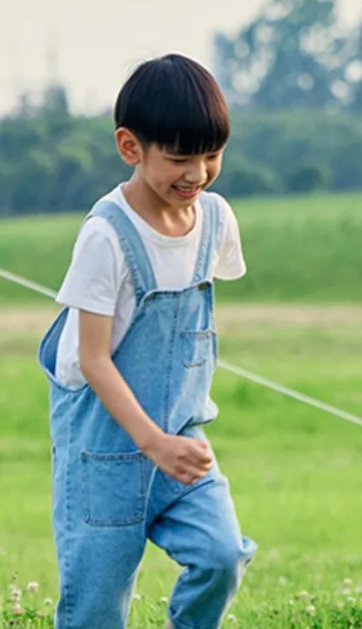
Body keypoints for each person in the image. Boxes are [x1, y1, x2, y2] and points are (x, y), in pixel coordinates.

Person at [38, 54, 256, 629]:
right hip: (104, 449)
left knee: (222, 555)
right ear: (131, 148)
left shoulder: (214, 221)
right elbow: (92, 357)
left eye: (212, 156)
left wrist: (169, 439)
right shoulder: (106, 236)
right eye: (180, 159)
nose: (198, 174)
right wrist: (150, 442)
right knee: (95, 608)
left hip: (182, 441)